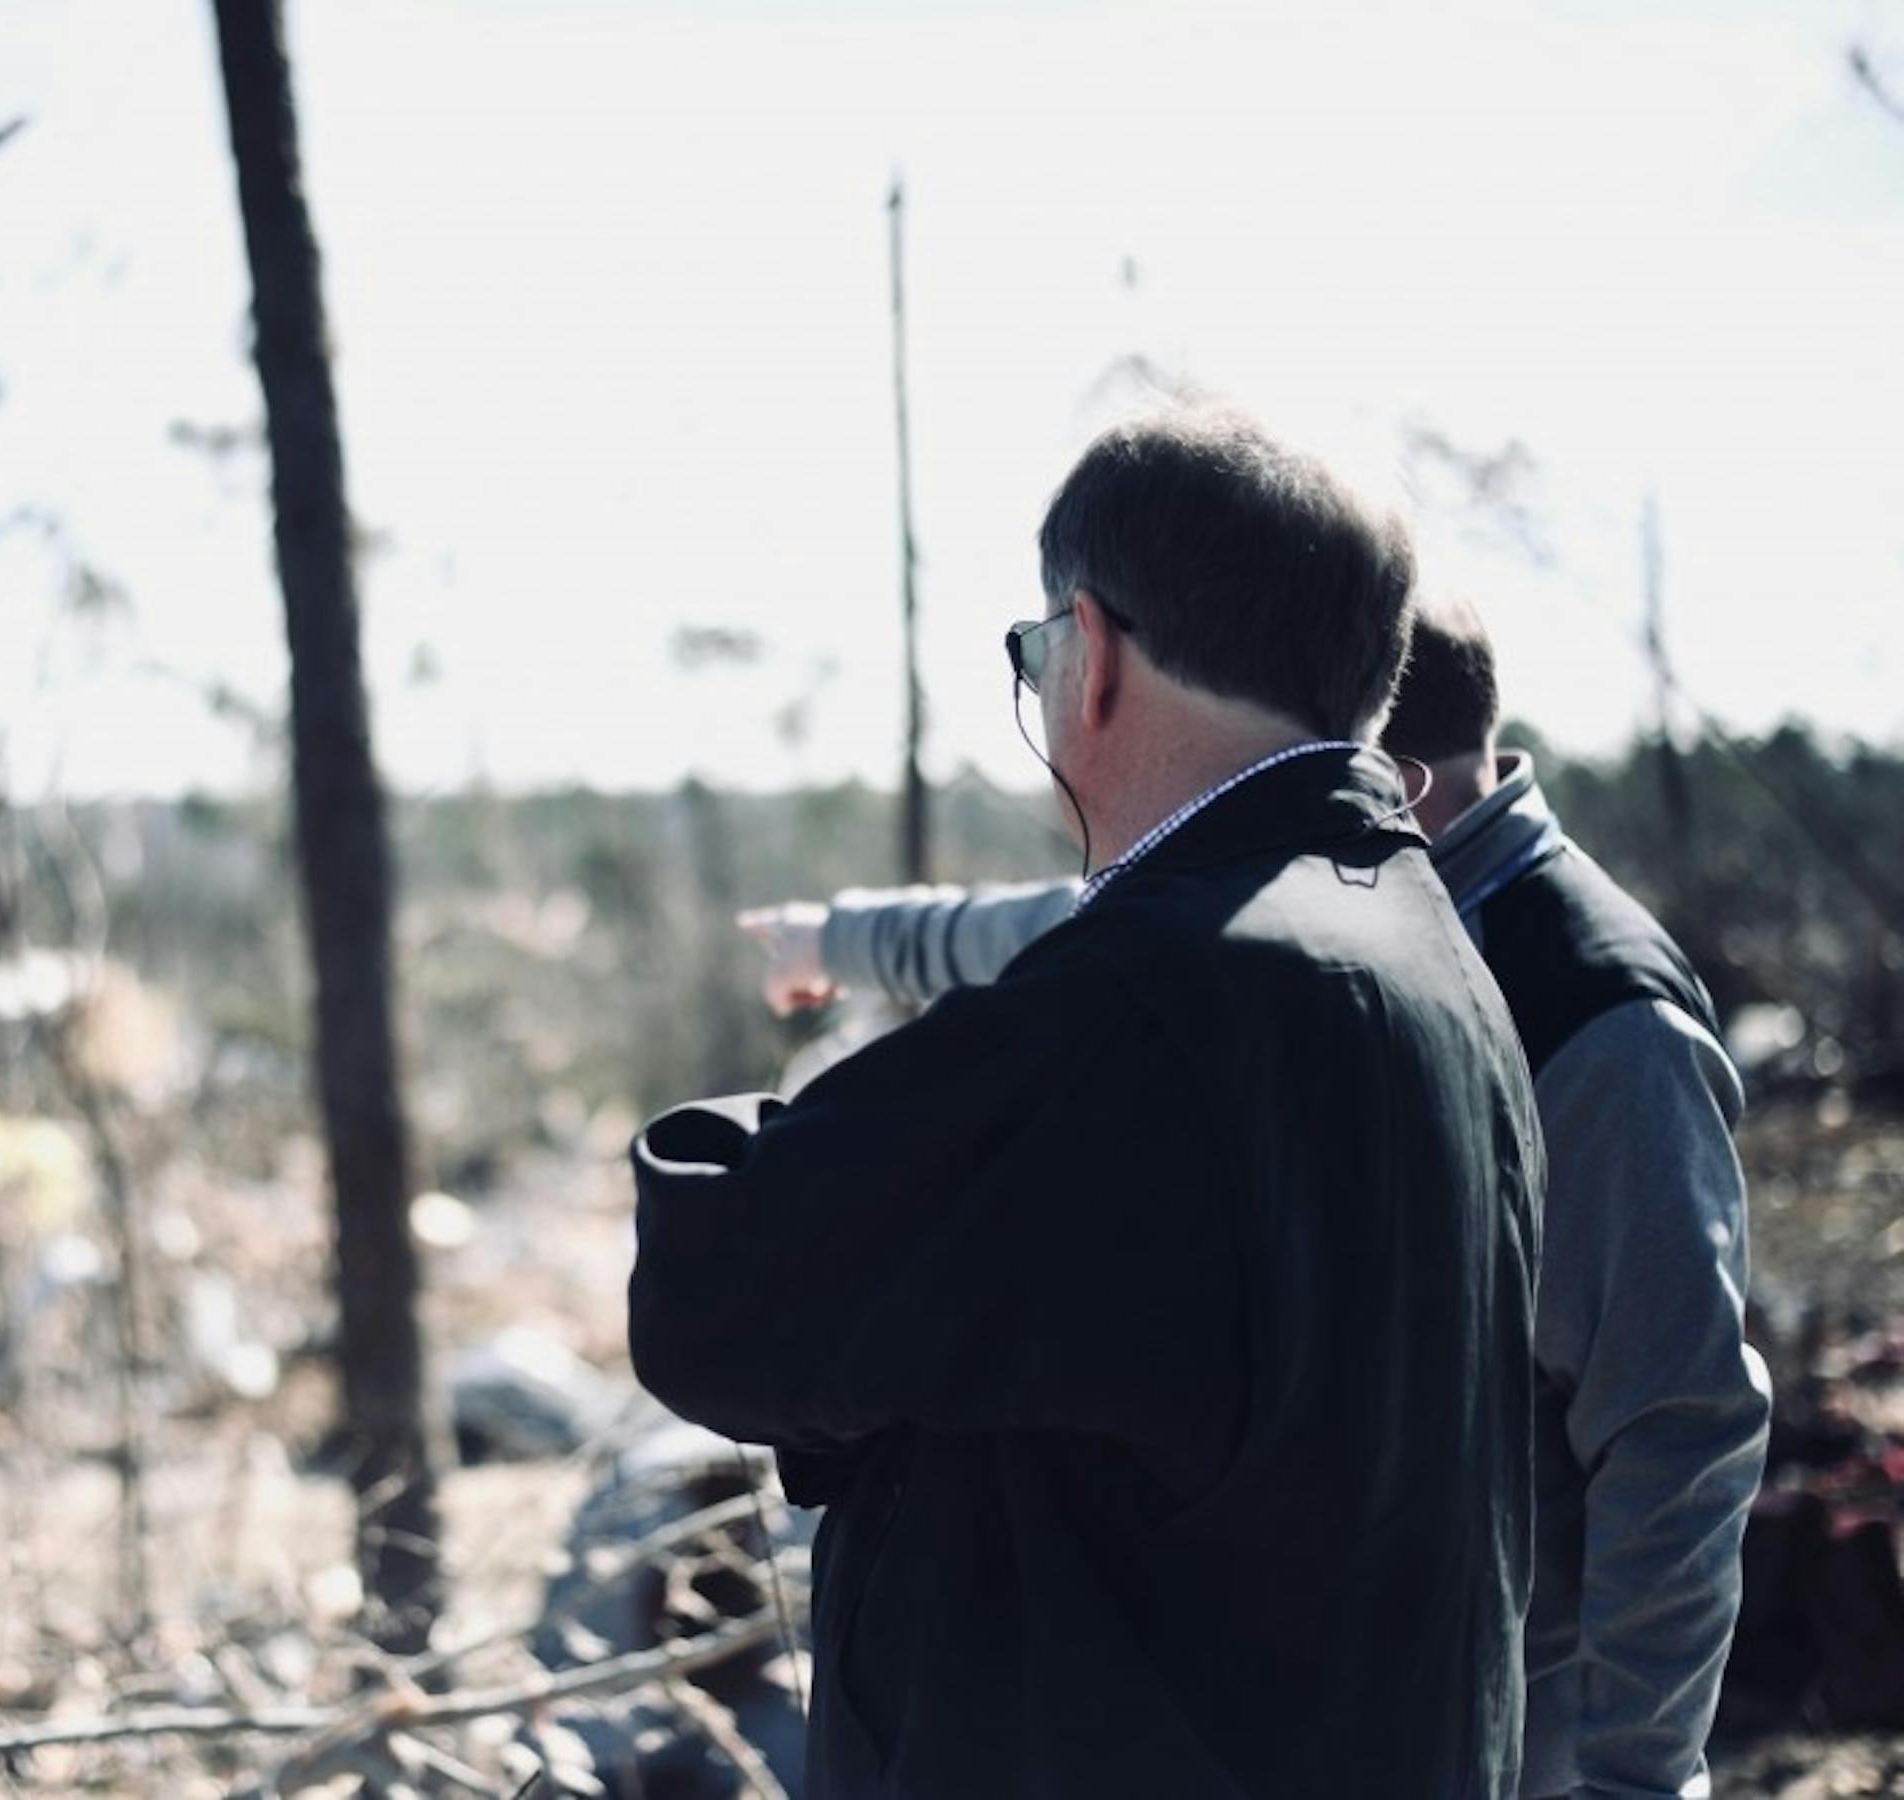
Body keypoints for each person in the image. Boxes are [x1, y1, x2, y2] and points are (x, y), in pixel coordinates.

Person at [630, 407, 1541, 1797]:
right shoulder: (1438, 964)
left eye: (1033, 651)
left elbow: (716, 1304)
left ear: (1091, 653)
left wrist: (753, 1136)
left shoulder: (1152, 1002)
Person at [750, 594, 1772, 1800]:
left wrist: (1635, 1780)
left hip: (1504, 1743)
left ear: (1367, 764)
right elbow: (1054, 928)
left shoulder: (1601, 1023)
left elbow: (1677, 1430)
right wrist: (832, 941)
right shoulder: (1307, 906)